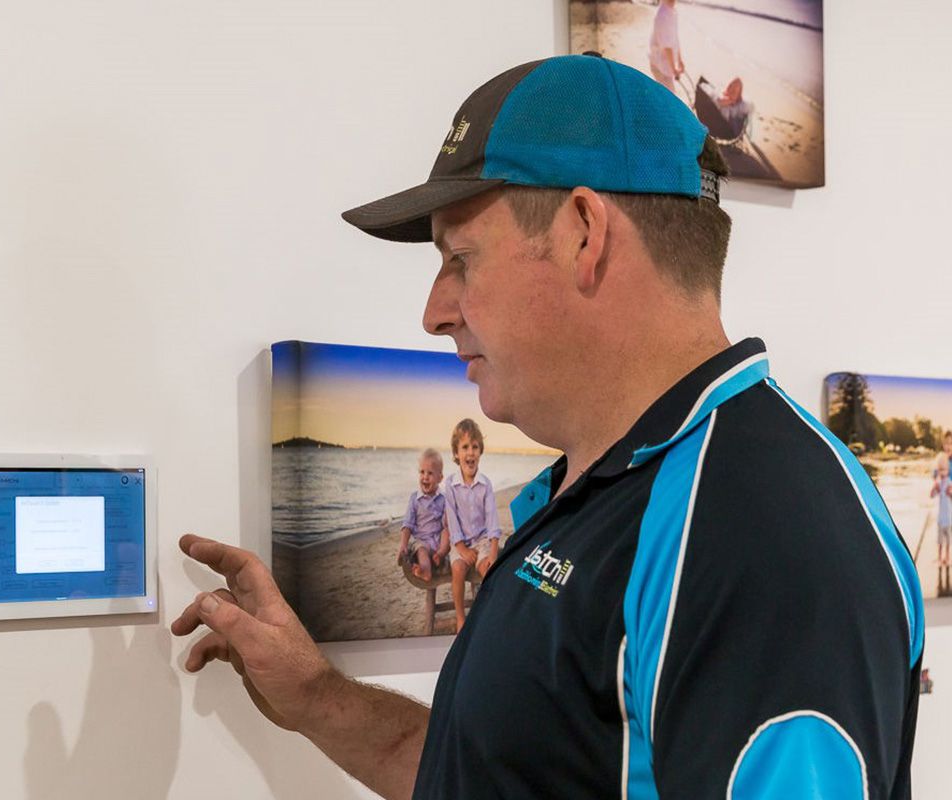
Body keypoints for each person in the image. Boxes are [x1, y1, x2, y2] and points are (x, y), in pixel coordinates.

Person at [173, 55, 923, 799]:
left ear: (584, 233)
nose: (433, 312)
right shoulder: (592, 490)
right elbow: (499, 772)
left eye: (460, 259)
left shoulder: (763, 537)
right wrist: (315, 696)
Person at [442, 418, 501, 631]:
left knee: (488, 570)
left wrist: (493, 551)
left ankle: (488, 614)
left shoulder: (485, 484)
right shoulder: (450, 484)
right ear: (456, 453)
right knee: (458, 569)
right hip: (461, 542)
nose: (470, 452)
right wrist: (461, 549)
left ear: (480, 452)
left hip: (483, 540)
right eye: (465, 447)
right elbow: (452, 520)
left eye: (475, 447)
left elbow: (492, 519)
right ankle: (460, 618)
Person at [397, 447, 449, 582]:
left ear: (440, 477)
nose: (425, 476)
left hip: (439, 542)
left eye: (430, 473)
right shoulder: (415, 499)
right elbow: (407, 524)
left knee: (447, 531)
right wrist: (403, 544)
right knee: (421, 550)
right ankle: (425, 571)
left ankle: (441, 555)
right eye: (422, 472)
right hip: (423, 541)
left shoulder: (444, 498)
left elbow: (447, 523)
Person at [696, 75, 750, 141]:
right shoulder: (724, 99)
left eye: (734, 91)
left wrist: (731, 100)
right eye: (731, 86)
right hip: (720, 123)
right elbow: (719, 101)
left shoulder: (733, 103)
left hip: (727, 128)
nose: (731, 90)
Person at [649, 0, 684, 92]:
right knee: (670, 98)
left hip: (666, 64)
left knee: (667, 96)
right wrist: (674, 69)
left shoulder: (672, 11)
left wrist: (680, 60)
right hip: (660, 65)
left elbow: (675, 39)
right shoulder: (662, 15)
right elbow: (667, 46)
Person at [934, 434, 952, 566]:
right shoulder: (940, 460)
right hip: (943, 500)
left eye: (951, 444)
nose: (949, 446)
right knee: (942, 533)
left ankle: (947, 556)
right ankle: (941, 557)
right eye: (947, 443)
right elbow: (935, 475)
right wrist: (936, 482)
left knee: (949, 533)